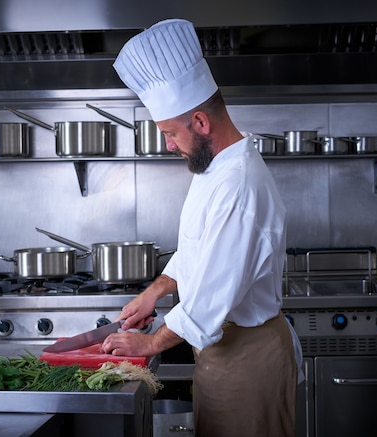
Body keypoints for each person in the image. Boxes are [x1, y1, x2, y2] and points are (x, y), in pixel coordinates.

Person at [101, 19, 302, 437]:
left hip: (247, 359)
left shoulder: (239, 184)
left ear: (201, 122)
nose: (169, 145)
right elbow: (197, 250)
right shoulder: (214, 170)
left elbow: (212, 293)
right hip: (220, 353)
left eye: (170, 134)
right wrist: (155, 291)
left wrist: (152, 343)